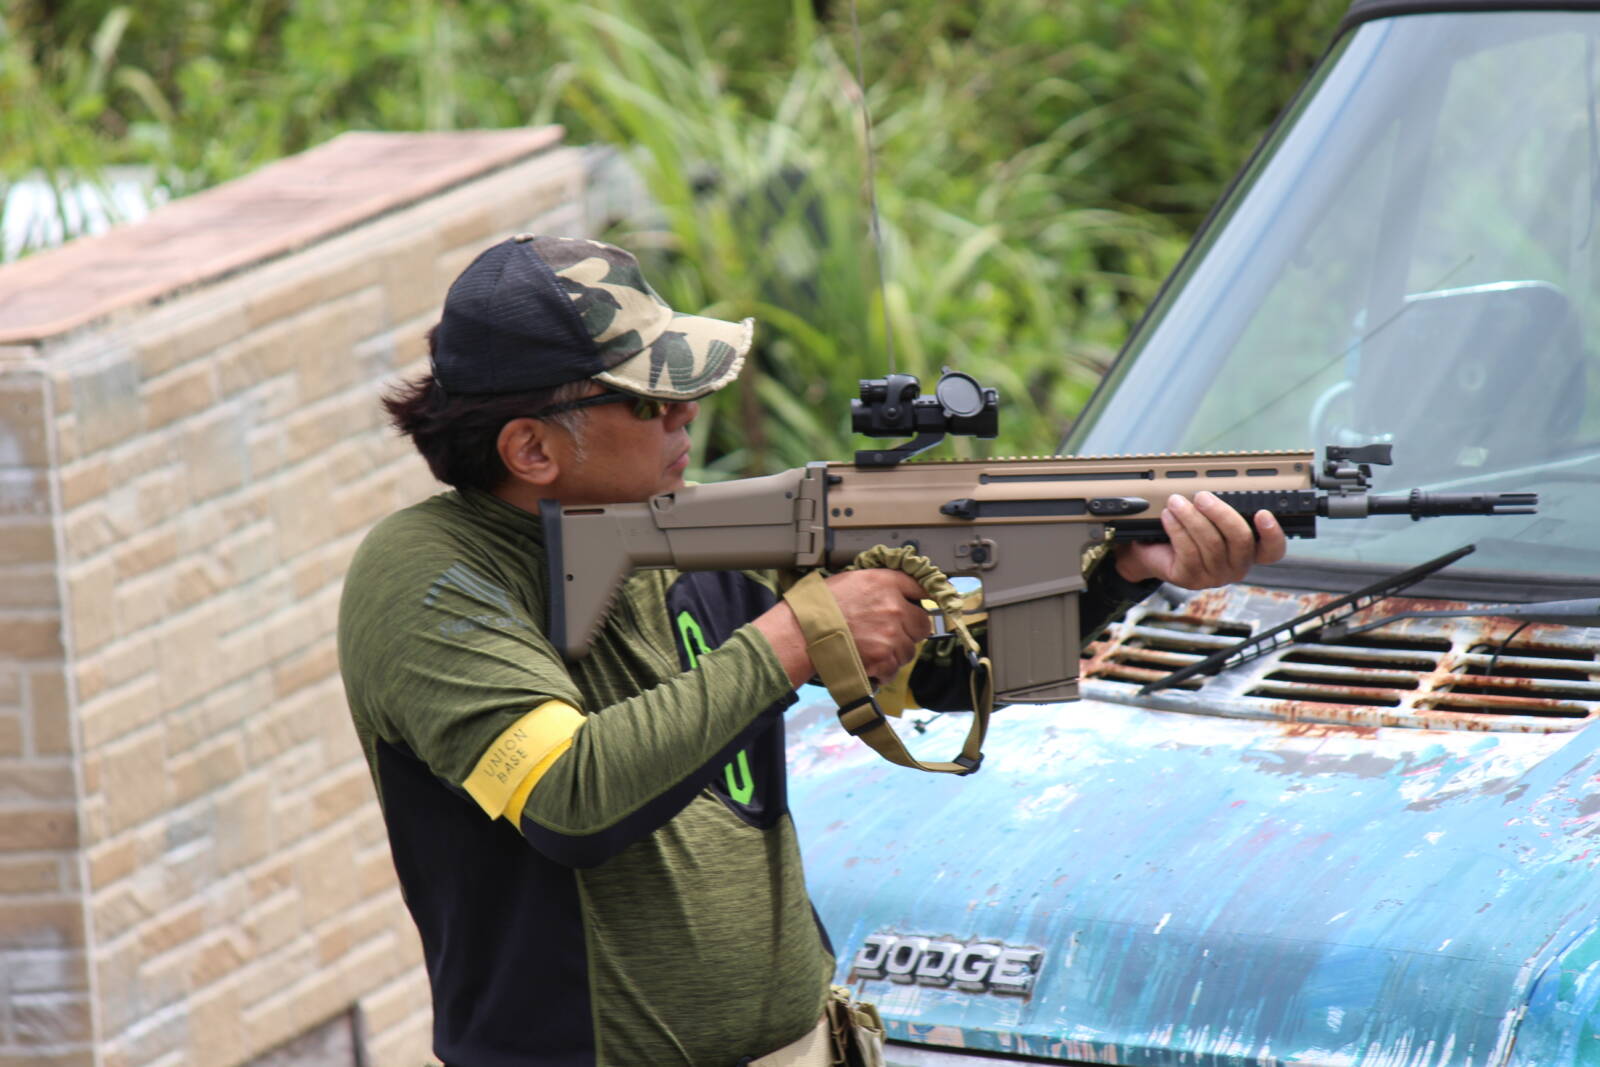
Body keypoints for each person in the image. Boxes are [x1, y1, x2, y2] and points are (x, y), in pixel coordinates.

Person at [336, 234, 1287, 1067]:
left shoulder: (685, 531)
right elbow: (569, 798)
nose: (687, 416)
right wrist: (797, 635)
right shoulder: (429, 576)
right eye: (653, 401)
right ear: (532, 449)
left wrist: (1120, 569)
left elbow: (937, 678)